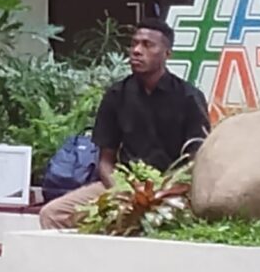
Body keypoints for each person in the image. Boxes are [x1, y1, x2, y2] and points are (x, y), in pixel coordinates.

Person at [38, 17, 210, 230]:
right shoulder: (116, 95)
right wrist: (122, 191)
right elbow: (105, 161)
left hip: (171, 192)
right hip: (121, 187)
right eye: (134, 44)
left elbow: (194, 162)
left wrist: (162, 194)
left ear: (167, 54)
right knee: (53, 214)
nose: (136, 51)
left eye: (147, 45)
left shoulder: (189, 97)